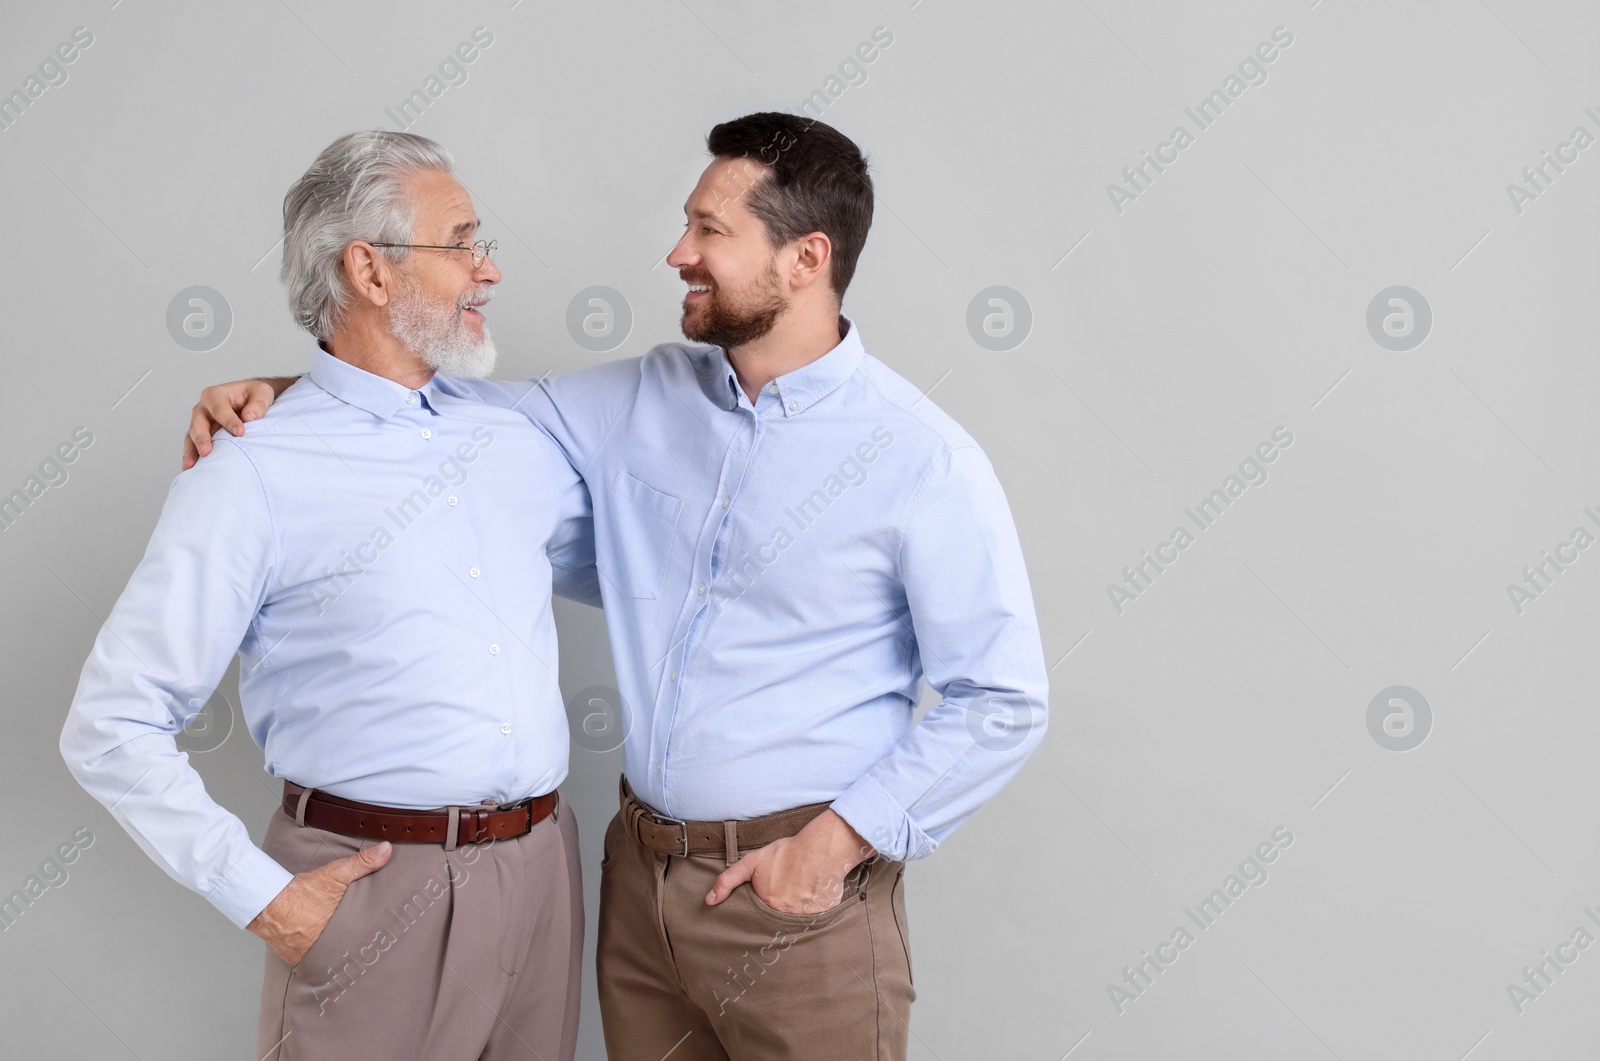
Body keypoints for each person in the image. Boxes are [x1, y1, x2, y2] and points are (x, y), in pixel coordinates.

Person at [184, 112, 1049, 1061]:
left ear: (806, 259)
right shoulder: (637, 397)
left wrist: (835, 847)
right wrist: (281, 390)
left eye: (710, 232)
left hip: (801, 905)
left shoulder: (922, 459)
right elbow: (426, 403)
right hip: (639, 896)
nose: (679, 253)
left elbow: (1001, 699)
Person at [63, 131, 596, 1061]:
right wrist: (267, 901)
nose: (491, 269)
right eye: (463, 242)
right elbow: (111, 724)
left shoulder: (518, 434)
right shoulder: (251, 472)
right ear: (371, 272)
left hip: (543, 877)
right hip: (373, 894)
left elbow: (665, 548)